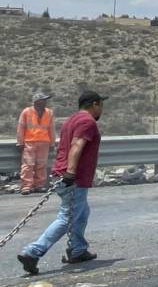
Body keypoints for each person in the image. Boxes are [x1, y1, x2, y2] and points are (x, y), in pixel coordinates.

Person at [16, 91, 105, 275]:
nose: (101, 109)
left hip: (65, 175)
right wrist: (71, 172)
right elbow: (76, 145)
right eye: (100, 105)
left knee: (82, 212)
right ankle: (32, 252)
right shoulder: (87, 122)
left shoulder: (72, 120)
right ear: (94, 104)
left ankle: (77, 250)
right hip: (73, 178)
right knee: (67, 218)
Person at [16, 92, 55, 195]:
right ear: (37, 101)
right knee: (28, 164)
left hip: (44, 142)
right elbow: (21, 127)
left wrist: (52, 143)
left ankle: (39, 185)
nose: (45, 102)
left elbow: (51, 129)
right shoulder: (26, 112)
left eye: (45, 100)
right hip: (29, 142)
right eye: (43, 100)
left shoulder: (49, 113)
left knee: (41, 165)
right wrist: (20, 142)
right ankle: (26, 186)